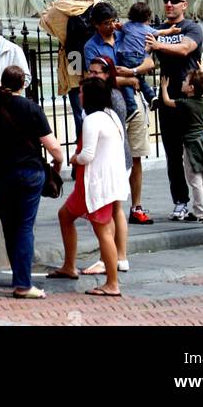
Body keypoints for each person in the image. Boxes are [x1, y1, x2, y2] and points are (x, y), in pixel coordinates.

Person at [0, 64, 64, 300]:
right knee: (24, 227)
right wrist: (58, 163)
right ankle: (23, 283)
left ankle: (19, 276)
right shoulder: (31, 108)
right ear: (23, 84)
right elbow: (53, 146)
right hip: (28, 173)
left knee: (10, 227)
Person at [52, 75, 129, 297]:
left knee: (103, 229)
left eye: (83, 92)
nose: (80, 95)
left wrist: (74, 158)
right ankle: (69, 266)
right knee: (65, 216)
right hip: (101, 182)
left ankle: (112, 283)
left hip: (96, 183)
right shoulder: (110, 115)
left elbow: (87, 155)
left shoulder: (92, 119)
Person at [145, 0, 203, 219]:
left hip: (192, 99)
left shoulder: (191, 28)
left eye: (174, 1)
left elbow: (185, 49)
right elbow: (142, 53)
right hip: (167, 98)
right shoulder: (158, 30)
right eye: (166, 0)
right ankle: (180, 201)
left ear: (184, 5)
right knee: (172, 153)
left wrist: (158, 45)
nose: (169, 4)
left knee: (200, 152)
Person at [39, 0, 96, 140]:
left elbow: (44, 21)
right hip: (93, 55)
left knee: (77, 101)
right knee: (96, 98)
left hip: (73, 55)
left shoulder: (59, 7)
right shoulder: (95, 3)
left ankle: (82, 139)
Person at [160, 69, 203, 222]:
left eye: (185, 81)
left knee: (194, 179)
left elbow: (167, 101)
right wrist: (201, 70)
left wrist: (164, 87)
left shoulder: (186, 103)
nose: (182, 82)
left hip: (191, 145)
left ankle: (199, 212)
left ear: (191, 88)